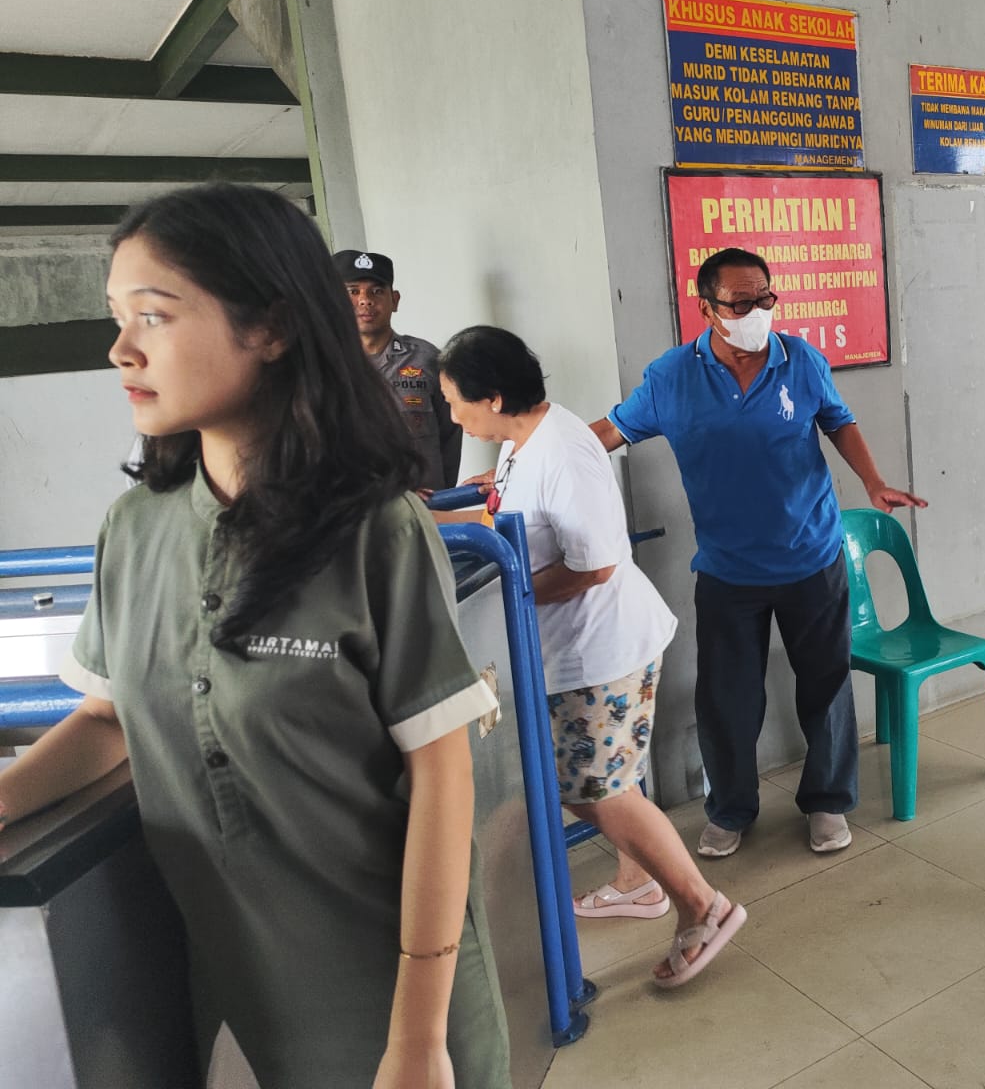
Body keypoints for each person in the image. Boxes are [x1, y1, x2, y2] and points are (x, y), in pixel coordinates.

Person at [0, 185, 511, 1088]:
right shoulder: (134, 529)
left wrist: (418, 1037)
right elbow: (109, 721)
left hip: (395, 986)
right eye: (117, 318)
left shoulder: (377, 532)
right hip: (242, 985)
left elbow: (442, 777)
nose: (120, 349)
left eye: (154, 315)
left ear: (270, 327)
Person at [434, 326, 745, 988]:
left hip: (602, 652)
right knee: (592, 782)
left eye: (456, 403)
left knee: (599, 789)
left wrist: (510, 595)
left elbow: (596, 565)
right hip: (575, 652)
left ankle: (703, 906)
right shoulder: (522, 440)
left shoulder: (563, 452)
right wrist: (432, 512)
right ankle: (639, 882)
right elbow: (503, 503)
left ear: (493, 398)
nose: (454, 417)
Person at [590, 247, 925, 860]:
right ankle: (729, 809)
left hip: (812, 558)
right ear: (706, 308)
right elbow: (608, 434)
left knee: (825, 687)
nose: (757, 312)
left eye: (765, 298)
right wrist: (529, 460)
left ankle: (827, 801)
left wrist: (873, 482)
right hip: (728, 571)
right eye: (740, 303)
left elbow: (838, 421)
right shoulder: (671, 377)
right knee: (727, 699)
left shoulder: (802, 360)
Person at [335, 248, 463, 492]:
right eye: (353, 291)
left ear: (394, 300)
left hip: (426, 504)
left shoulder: (426, 359)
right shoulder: (326, 364)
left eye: (377, 291)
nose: (365, 300)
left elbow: (451, 434)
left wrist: (442, 494)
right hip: (356, 506)